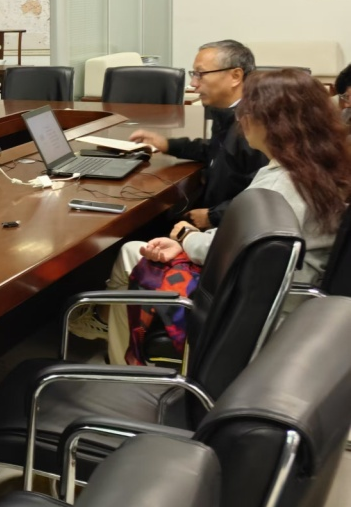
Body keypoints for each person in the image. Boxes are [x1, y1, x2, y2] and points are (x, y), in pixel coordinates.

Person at [101, 69, 351, 364]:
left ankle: (126, 368)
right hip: (284, 291)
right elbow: (248, 237)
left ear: (271, 122)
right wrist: (191, 242)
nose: (241, 120)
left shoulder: (281, 184)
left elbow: (238, 251)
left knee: (133, 254)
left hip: (261, 305)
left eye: (247, 112)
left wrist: (186, 238)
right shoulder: (318, 164)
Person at [127, 40, 267, 231]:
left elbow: (265, 194)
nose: (193, 84)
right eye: (194, 74)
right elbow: (216, 150)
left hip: (230, 229)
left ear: (235, 76)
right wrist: (167, 144)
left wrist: (213, 217)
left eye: (201, 74)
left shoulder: (256, 126)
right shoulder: (228, 112)